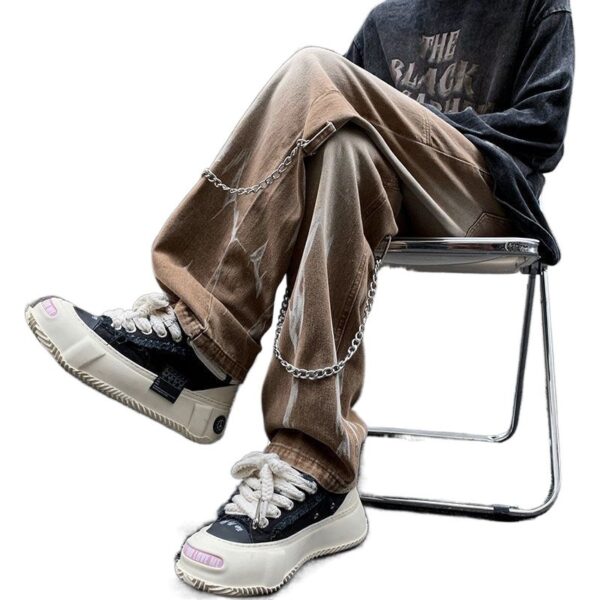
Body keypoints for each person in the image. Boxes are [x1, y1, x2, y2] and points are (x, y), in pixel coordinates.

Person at [25, 0, 574, 595]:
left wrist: (414, 130)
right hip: (387, 198)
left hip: (484, 199)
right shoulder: (388, 20)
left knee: (315, 69)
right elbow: (332, 123)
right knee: (342, 152)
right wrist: (388, 130)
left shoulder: (535, 4)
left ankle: (205, 341)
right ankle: (315, 463)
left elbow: (541, 132)